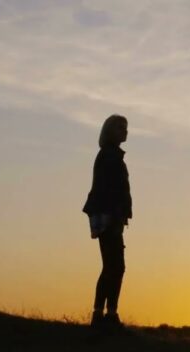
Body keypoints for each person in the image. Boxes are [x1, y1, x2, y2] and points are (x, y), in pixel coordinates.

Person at [82, 114, 132, 331]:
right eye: (121, 127)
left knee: (113, 266)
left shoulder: (111, 156)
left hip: (110, 217)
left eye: (126, 127)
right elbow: (109, 191)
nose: (125, 131)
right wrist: (115, 217)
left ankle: (105, 314)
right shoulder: (109, 157)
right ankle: (104, 315)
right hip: (109, 218)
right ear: (111, 130)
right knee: (114, 266)